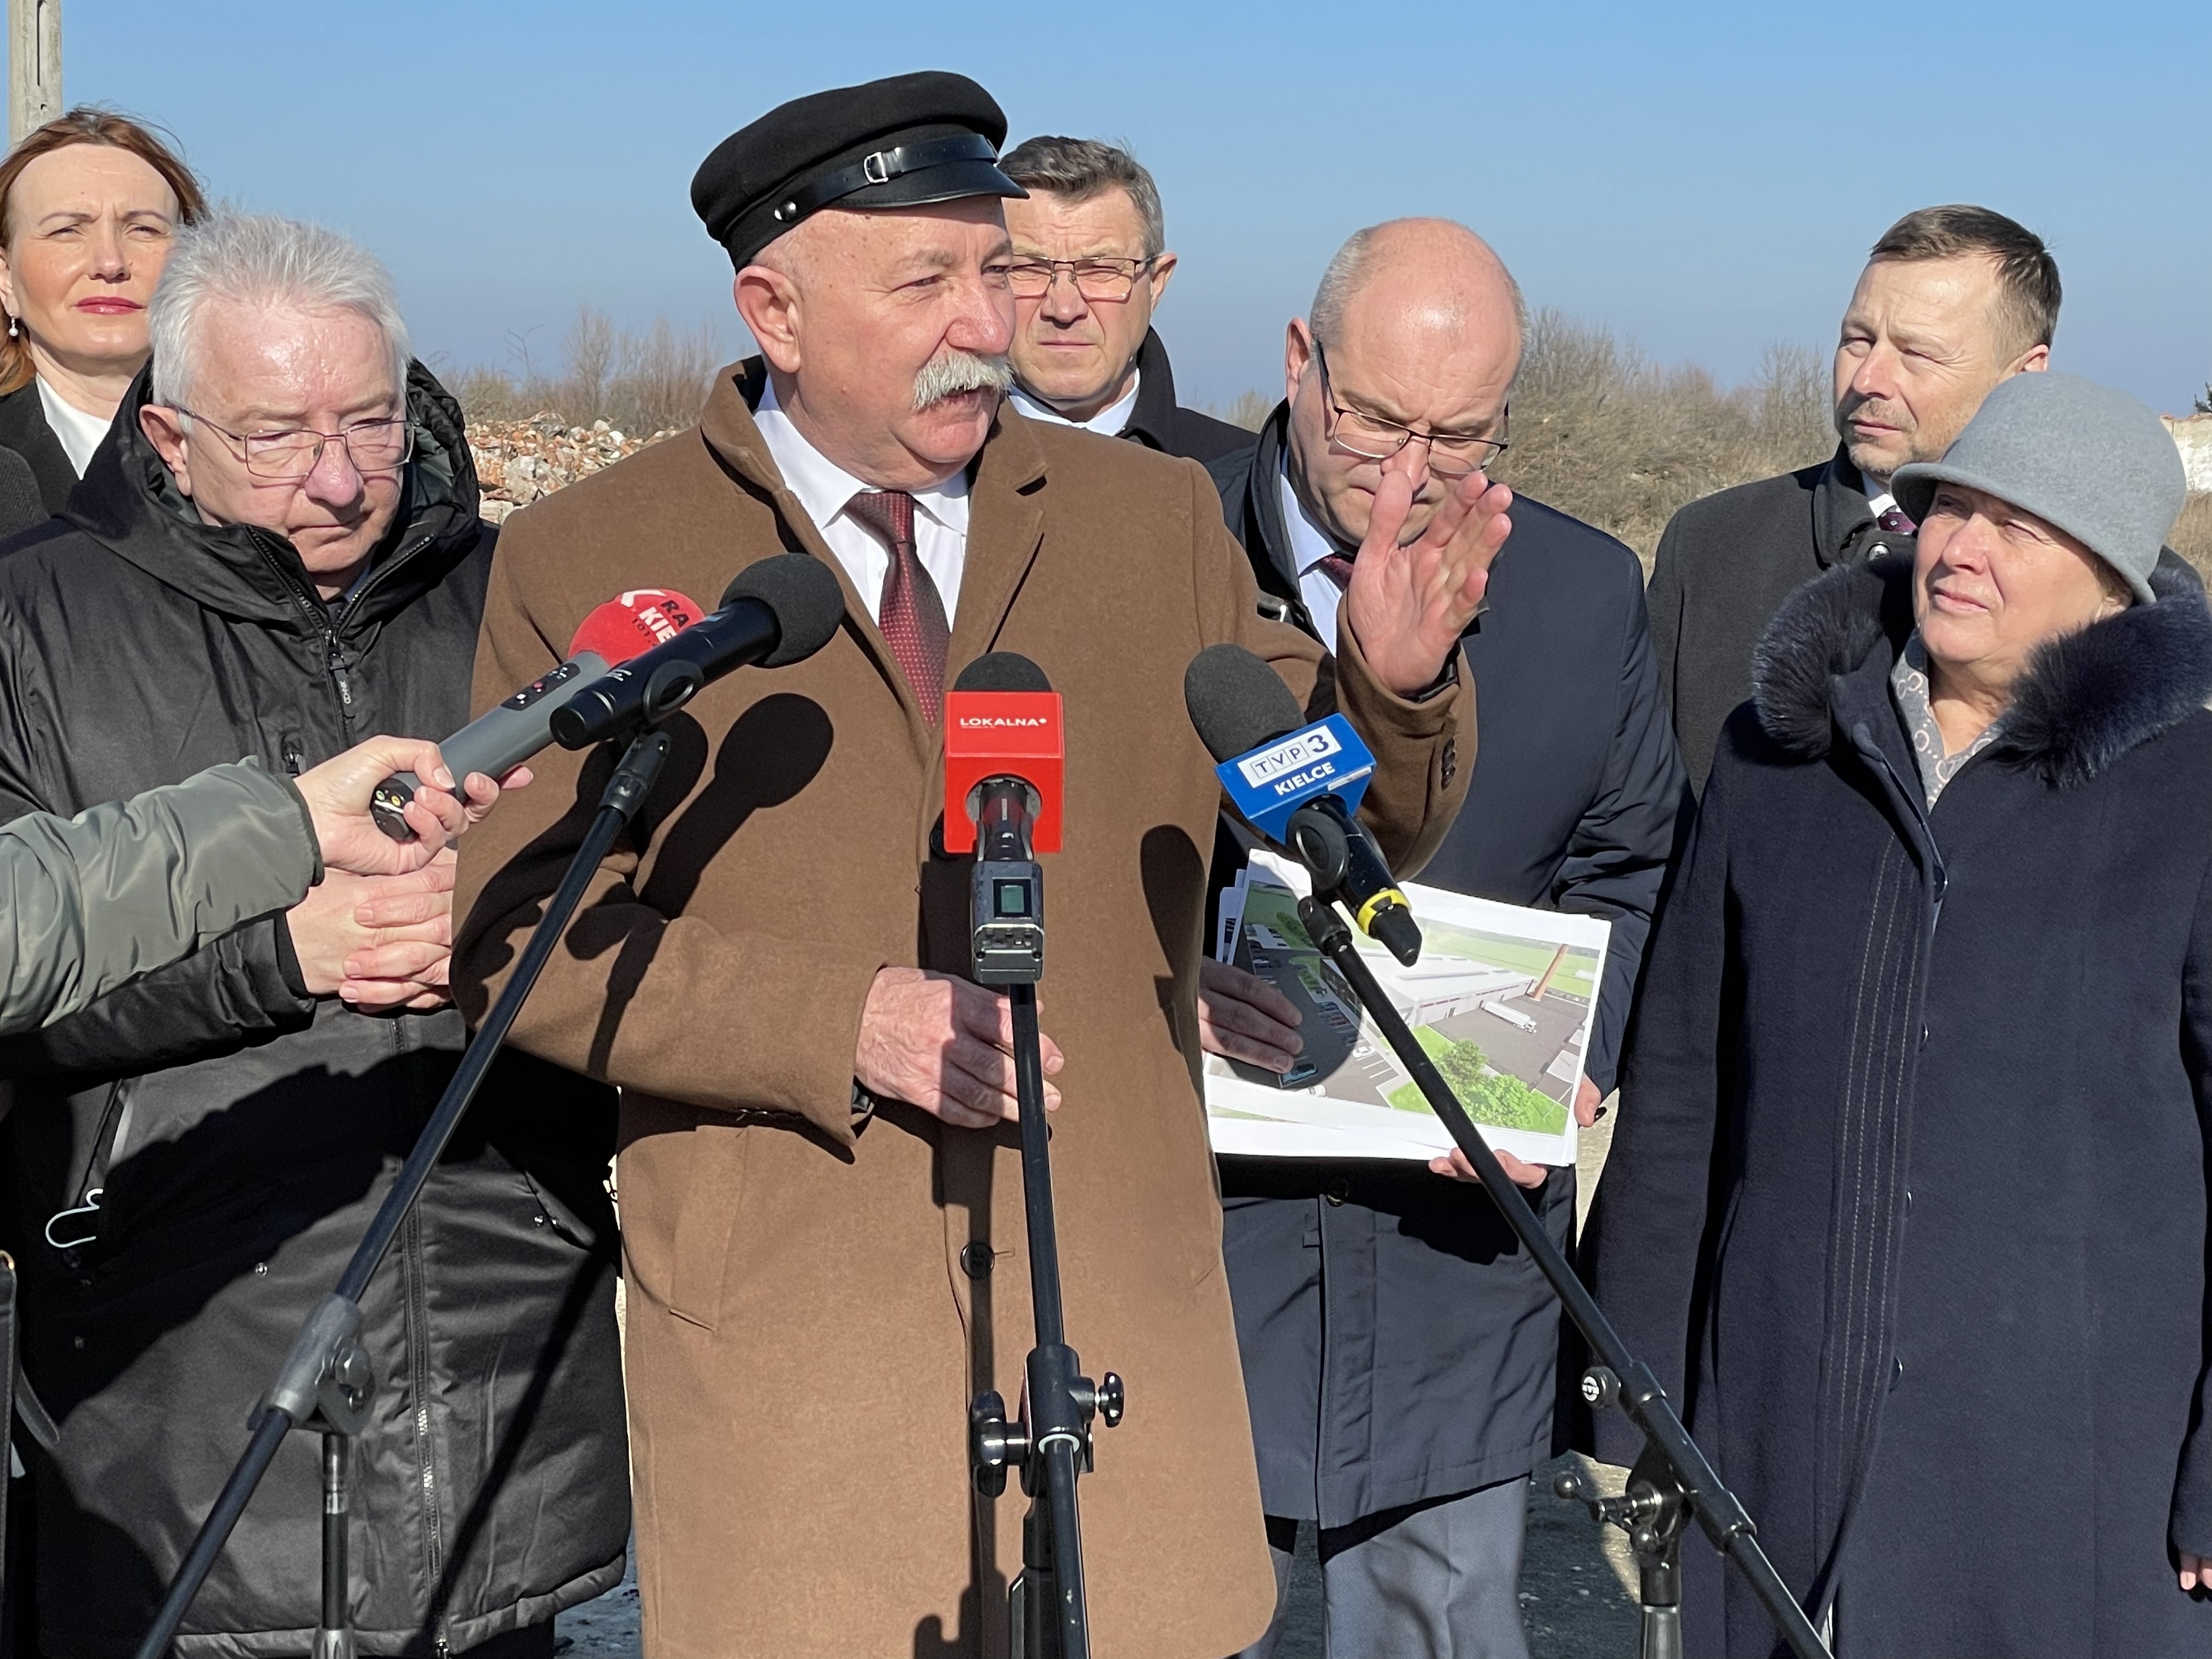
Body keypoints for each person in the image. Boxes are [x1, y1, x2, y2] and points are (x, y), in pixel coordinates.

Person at [449, 72, 1492, 1659]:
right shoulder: (596, 552)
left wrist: (1393, 691)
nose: (986, 324)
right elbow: (518, 933)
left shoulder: (1152, 520)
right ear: (774, 312)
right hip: (802, 1384)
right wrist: (837, 1022)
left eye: (994, 270)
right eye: (924, 281)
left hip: (1115, 1356)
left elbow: (1324, 800)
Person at [0, 214, 625, 1658]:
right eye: (277, 435)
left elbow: (647, 900)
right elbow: (22, 976)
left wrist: (499, 933)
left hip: (503, 1332)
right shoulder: (29, 624)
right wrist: (281, 958)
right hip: (173, 1349)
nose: (339, 478)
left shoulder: (520, 596)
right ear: (170, 435)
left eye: (371, 423)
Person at [1590, 372, 2212, 1657]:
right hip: (1778, 1429)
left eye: (2017, 526)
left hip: (2072, 1470)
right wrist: (1631, 1387)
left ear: (2112, 583)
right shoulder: (1778, 761)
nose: (1963, 548)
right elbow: (1683, 1090)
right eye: (1951, 508)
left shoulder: (2188, 797)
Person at [1201, 217, 1686, 1658]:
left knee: (1440, 1630)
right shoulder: (1167, 553)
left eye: (1460, 436)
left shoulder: (1585, 593)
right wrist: (1170, 992)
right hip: (1199, 1246)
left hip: (1458, 1256)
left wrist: (1572, 1059)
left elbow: (1628, 860)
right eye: (1373, 419)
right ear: (1300, 361)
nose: (1409, 472)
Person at [1645, 204, 2057, 786]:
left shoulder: (2100, 587)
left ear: (2023, 376)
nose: (1867, 380)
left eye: (1917, 353)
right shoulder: (1711, 547)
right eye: (1857, 341)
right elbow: (1637, 814)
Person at [0, 735, 508, 1036]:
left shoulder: (482, 595)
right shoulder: (26, 622)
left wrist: (482, 924)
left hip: (500, 1148)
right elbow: (28, 1020)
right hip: (185, 1168)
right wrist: (271, 954)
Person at [0, 108, 206, 516]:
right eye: (66, 230)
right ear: (6, 279)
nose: (110, 263)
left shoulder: (271, 446)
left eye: (144, 229)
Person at [1000, 134, 1249, 461]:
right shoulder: (939, 475)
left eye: (1100, 270)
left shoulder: (1241, 477)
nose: (1064, 309)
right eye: (1027, 268)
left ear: (1156, 283)